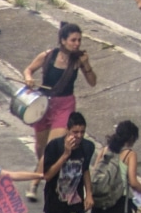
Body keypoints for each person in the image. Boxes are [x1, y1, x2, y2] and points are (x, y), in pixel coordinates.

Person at [23, 23, 97, 201]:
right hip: (43, 105)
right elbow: (29, 69)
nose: (77, 44)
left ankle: (34, 183)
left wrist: (86, 65)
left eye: (79, 40)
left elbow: (93, 82)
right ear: (63, 41)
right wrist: (28, 78)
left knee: (51, 146)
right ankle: (47, 169)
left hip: (64, 106)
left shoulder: (79, 60)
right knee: (41, 147)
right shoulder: (48, 56)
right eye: (73, 40)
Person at [40, 111, 95, 213]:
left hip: (76, 208)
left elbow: (85, 170)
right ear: (67, 130)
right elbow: (48, 175)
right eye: (75, 132)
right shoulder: (54, 146)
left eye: (82, 132)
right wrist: (65, 154)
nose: (78, 136)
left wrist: (89, 193)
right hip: (56, 209)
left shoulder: (88, 147)